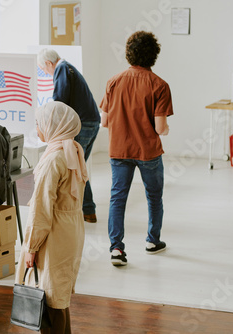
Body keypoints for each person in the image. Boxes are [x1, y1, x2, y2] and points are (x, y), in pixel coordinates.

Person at [100, 31, 174, 266]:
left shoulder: (113, 81)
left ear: (129, 54)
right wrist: (166, 129)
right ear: (154, 55)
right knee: (154, 196)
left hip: (119, 149)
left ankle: (116, 249)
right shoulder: (160, 85)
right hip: (148, 152)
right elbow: (160, 128)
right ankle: (153, 241)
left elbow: (104, 121)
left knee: (117, 198)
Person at [15, 101, 87, 334]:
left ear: (54, 125)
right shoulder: (74, 149)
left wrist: (31, 247)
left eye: (39, 123)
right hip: (71, 230)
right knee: (59, 294)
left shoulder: (55, 158)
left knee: (48, 298)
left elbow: (41, 208)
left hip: (53, 234)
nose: (37, 128)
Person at [37, 48, 101, 223]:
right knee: (78, 166)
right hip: (91, 122)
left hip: (84, 124)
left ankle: (81, 211)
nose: (45, 73)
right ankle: (87, 210)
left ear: (49, 63)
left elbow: (60, 100)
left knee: (75, 167)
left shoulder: (62, 69)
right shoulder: (68, 67)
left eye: (43, 69)